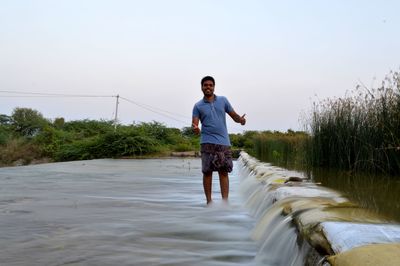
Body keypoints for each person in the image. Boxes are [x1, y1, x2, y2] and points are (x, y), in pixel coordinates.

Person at [192, 76, 246, 205]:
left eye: (210, 85)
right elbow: (194, 123)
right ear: (201, 87)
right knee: (207, 173)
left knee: (223, 172)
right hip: (207, 143)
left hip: (223, 143)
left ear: (214, 87)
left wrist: (241, 120)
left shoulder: (223, 100)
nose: (208, 87)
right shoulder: (198, 106)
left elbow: (234, 116)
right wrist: (195, 128)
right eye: (205, 85)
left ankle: (225, 203)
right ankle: (209, 203)